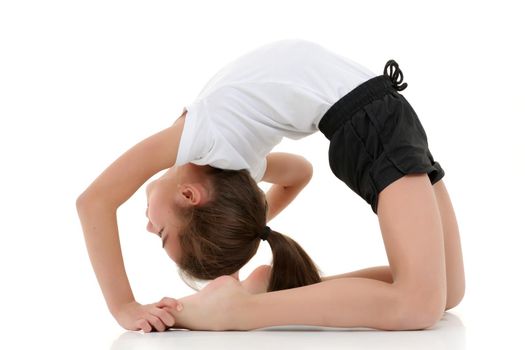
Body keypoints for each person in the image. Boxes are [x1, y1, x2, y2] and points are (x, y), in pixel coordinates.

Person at [76, 39, 465, 333]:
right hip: (375, 117)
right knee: (435, 296)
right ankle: (259, 298)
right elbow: (297, 172)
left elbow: (94, 202)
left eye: (161, 234)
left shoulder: (198, 137)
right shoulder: (229, 155)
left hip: (372, 119)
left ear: (189, 194)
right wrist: (245, 220)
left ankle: (238, 310)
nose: (148, 227)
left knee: (432, 298)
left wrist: (124, 305)